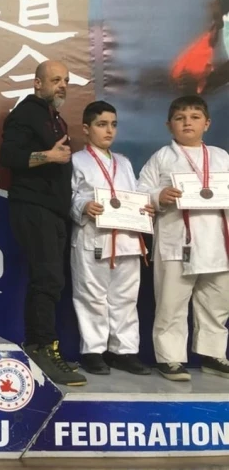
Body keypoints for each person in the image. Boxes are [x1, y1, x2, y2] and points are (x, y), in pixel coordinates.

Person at [0, 60, 87, 386]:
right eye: (55, 80)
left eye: (66, 80)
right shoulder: (26, 113)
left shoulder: (54, 117)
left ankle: (42, 346)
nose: (62, 85)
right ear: (38, 83)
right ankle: (40, 348)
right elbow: (8, 156)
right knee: (47, 278)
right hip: (34, 208)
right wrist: (47, 156)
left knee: (49, 280)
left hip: (52, 210)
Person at [138, 95, 229, 381]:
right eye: (180, 118)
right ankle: (170, 358)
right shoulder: (162, 157)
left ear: (207, 123)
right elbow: (140, 193)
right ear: (169, 125)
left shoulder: (221, 156)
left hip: (217, 242)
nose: (187, 122)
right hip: (176, 242)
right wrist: (158, 196)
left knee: (217, 302)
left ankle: (213, 354)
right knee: (171, 303)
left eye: (194, 117)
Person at [70, 101, 152, 376]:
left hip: (127, 238)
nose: (109, 131)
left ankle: (123, 351)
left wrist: (144, 208)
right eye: (101, 124)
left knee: (126, 298)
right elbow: (68, 196)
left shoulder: (124, 162)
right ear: (86, 128)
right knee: (91, 297)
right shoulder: (76, 161)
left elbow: (135, 193)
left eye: (113, 125)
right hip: (93, 237)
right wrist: (83, 206)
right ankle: (93, 351)